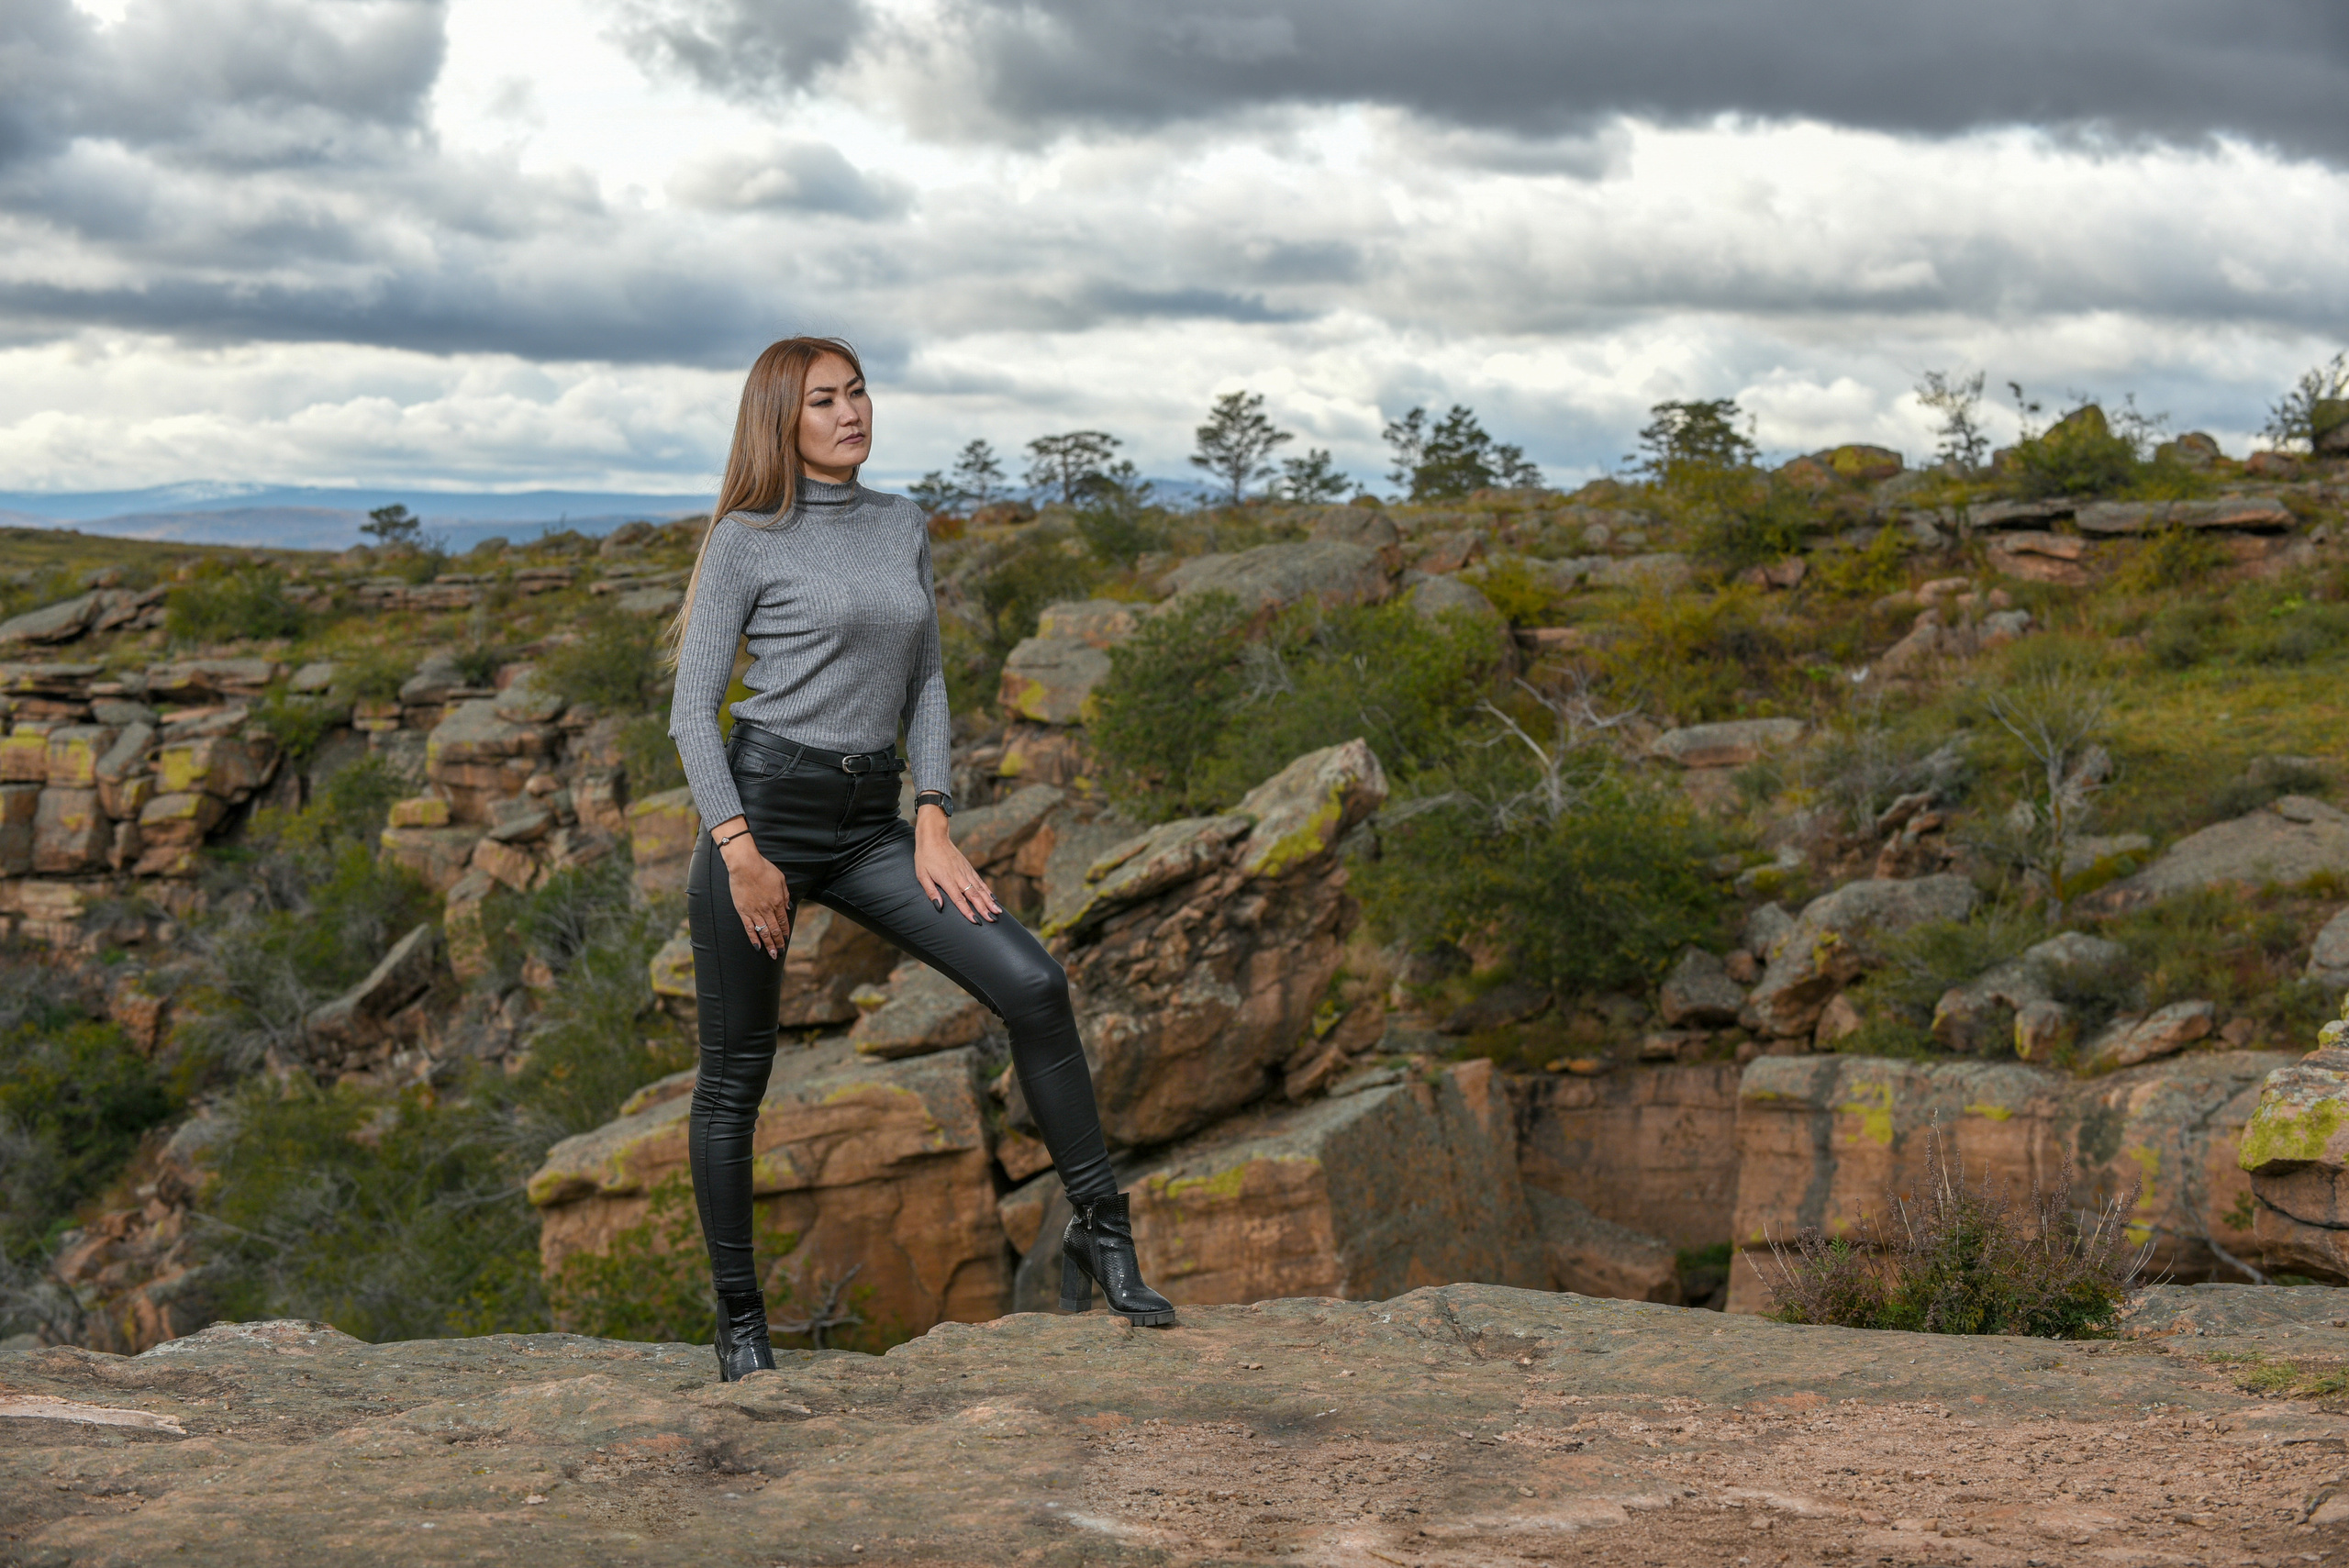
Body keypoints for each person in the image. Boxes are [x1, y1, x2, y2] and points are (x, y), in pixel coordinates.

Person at [665, 336, 1174, 1381]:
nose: (851, 412)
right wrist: (741, 851)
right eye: (824, 400)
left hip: (868, 820)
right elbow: (689, 710)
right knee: (734, 1082)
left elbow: (929, 678)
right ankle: (739, 1320)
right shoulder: (745, 539)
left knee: (1032, 983)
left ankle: (1101, 1234)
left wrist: (933, 813)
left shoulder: (901, 523)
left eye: (857, 392)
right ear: (781, 420)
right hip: (761, 812)